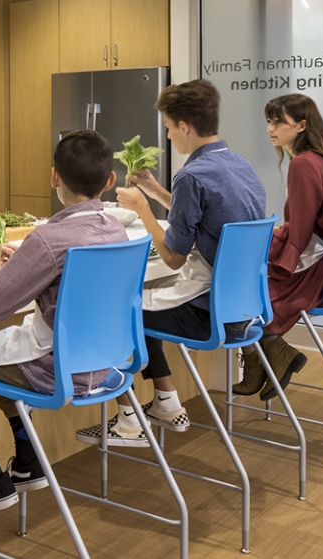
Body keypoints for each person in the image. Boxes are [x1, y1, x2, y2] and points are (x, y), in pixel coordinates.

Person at [0, 130, 125, 516]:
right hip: (102, 365)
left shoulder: (48, 239)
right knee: (2, 350)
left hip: (56, 370)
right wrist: (26, 258)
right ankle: (28, 461)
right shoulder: (115, 230)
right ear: (110, 180)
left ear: (54, 177)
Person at [74, 79, 266, 447]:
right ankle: (165, 400)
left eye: (167, 127)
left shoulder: (192, 175)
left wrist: (142, 208)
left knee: (115, 312)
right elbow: (202, 217)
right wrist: (157, 192)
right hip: (241, 310)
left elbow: (174, 259)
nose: (168, 136)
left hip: (206, 314)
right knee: (141, 297)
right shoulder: (240, 165)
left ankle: (128, 419)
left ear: (184, 127)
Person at [235, 94, 323, 401]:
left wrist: (282, 261)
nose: (270, 129)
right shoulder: (322, 160)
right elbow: (310, 223)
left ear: (301, 125)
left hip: (314, 273)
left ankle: (269, 355)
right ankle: (265, 360)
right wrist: (281, 233)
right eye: (268, 121)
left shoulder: (301, 164)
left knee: (239, 295)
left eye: (277, 122)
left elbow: (301, 230)